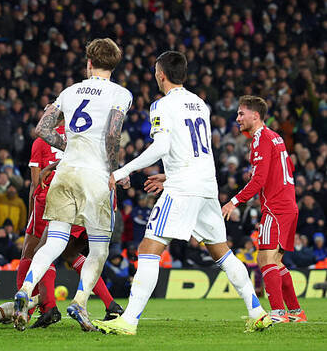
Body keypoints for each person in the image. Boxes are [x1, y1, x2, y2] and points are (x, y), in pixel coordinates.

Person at [94, 52, 270, 335]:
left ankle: (129, 320)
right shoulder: (201, 104)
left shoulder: (161, 105)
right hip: (205, 185)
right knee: (222, 252)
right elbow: (195, 149)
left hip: (183, 188)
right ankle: (257, 311)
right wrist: (171, 174)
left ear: (160, 74)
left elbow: (162, 147)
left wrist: (124, 170)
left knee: (148, 250)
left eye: (155, 71)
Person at [14, 38, 131, 331]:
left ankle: (26, 290)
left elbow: (41, 128)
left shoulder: (70, 91)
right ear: (114, 66)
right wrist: (114, 170)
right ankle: (79, 302)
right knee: (99, 249)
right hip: (94, 176)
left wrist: (67, 144)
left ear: (88, 63)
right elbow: (112, 135)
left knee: (53, 241)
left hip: (65, 173)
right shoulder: (121, 94)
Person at [18, 130, 124, 328]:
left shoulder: (43, 140)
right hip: (99, 196)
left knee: (39, 250)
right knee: (72, 253)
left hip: (64, 196)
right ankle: (111, 305)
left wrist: (45, 172)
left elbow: (35, 183)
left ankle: (42, 307)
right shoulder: (86, 134)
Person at [221, 96, 306, 323]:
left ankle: (278, 313)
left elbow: (259, 180)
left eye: (241, 114)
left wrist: (233, 202)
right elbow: (287, 169)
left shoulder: (261, 139)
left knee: (265, 259)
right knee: (275, 262)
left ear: (255, 116)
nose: (237, 118)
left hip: (276, 208)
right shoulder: (275, 137)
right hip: (287, 205)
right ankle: (296, 313)